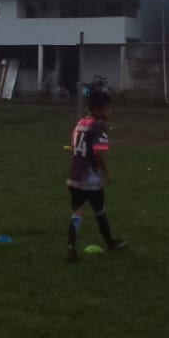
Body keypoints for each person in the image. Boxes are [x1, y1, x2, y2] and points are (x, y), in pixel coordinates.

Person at [65, 89, 128, 262]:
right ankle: (110, 243)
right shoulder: (98, 125)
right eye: (107, 109)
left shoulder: (81, 122)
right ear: (97, 109)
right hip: (91, 179)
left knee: (77, 212)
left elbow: (73, 148)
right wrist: (106, 174)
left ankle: (71, 247)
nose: (109, 112)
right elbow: (98, 153)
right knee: (99, 211)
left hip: (74, 177)